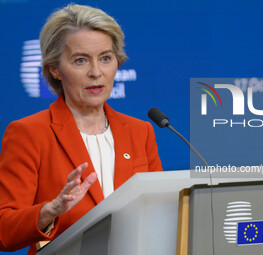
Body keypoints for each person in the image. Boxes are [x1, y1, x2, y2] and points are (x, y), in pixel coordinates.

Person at [0, 4, 162, 254]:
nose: (96, 72)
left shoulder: (140, 132)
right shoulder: (29, 133)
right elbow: (4, 231)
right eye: (80, 60)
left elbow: (158, 212)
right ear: (55, 69)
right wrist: (49, 211)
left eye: (105, 58)